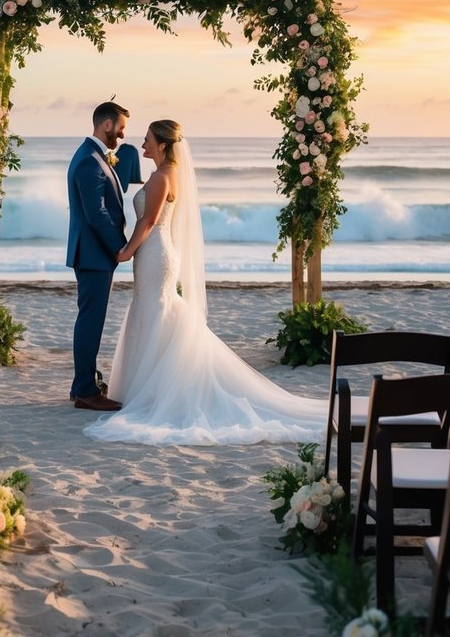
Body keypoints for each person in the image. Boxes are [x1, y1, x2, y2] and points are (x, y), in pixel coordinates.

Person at [84, 119, 327, 445]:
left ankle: (157, 391)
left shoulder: (161, 176)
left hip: (155, 254)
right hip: (155, 253)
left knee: (156, 311)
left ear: (161, 144)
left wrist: (127, 250)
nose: (142, 145)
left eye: (147, 140)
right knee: (153, 312)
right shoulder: (166, 173)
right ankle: (149, 387)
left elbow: (150, 219)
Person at [66, 101, 130, 411]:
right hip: (93, 253)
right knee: (90, 321)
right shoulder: (89, 161)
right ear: (107, 125)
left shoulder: (92, 157)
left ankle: (82, 383)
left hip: (93, 253)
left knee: (90, 319)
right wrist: (119, 247)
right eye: (120, 128)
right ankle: (85, 391)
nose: (121, 134)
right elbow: (97, 213)